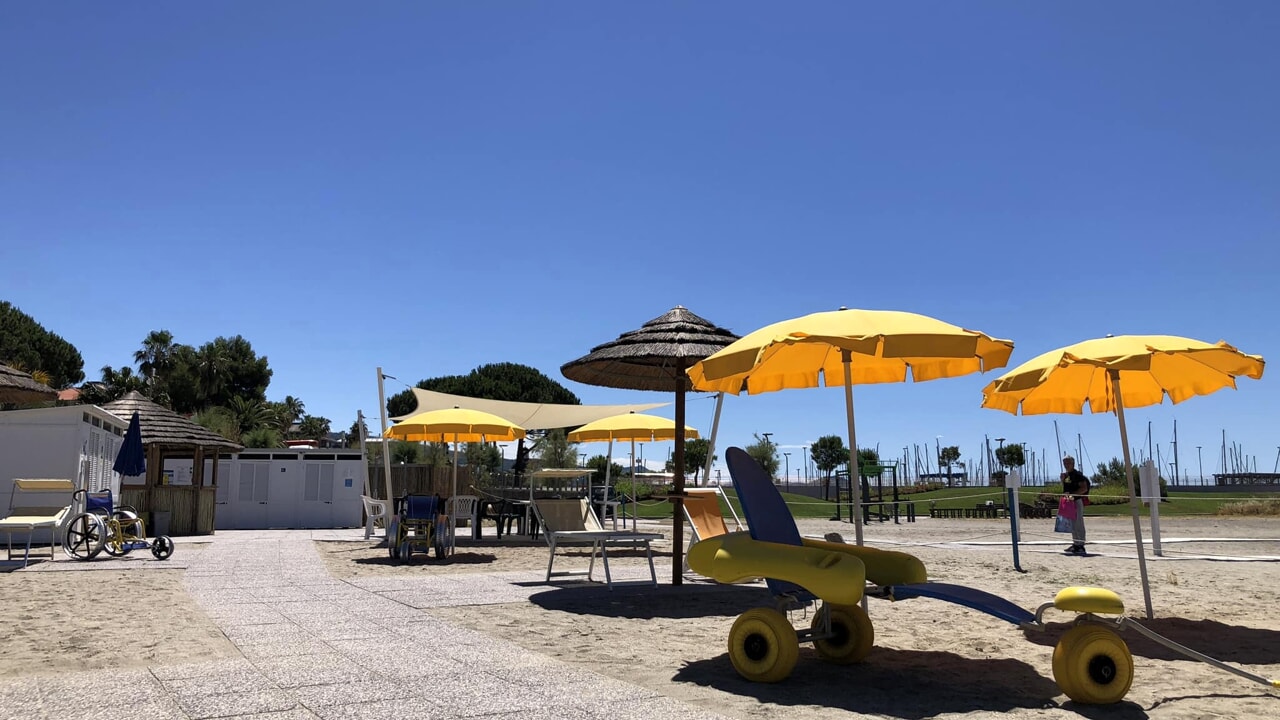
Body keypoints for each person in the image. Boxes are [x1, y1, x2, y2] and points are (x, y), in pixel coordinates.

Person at [1060, 456, 1091, 555]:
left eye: (1068, 463)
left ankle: (1081, 545)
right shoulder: (1067, 475)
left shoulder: (1078, 475)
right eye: (1065, 463)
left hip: (1076, 501)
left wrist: (1072, 495)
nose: (1066, 465)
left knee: (1078, 523)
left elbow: (1084, 488)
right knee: (1072, 524)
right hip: (1069, 502)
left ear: (1073, 463)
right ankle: (1075, 543)